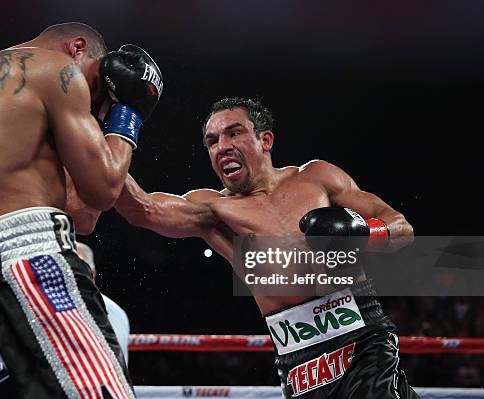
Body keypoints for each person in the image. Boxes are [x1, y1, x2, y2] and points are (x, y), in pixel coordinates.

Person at [114, 97, 418, 398]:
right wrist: (112, 126)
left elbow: (400, 227)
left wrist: (365, 233)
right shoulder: (214, 211)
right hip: (301, 363)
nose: (222, 147)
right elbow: (141, 208)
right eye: (212, 141)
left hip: (363, 340)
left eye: (234, 133)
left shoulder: (317, 177)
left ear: (266, 139)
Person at [0, 22, 163, 399]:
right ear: (77, 47)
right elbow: (105, 188)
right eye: (95, 89)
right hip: (36, 272)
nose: (92, 108)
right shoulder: (57, 70)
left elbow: (82, 215)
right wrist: (128, 112)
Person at [76, 243, 130, 365]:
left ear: (92, 274)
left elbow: (115, 365)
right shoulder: (51, 306)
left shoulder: (112, 312)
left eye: (77, 271)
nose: (70, 276)